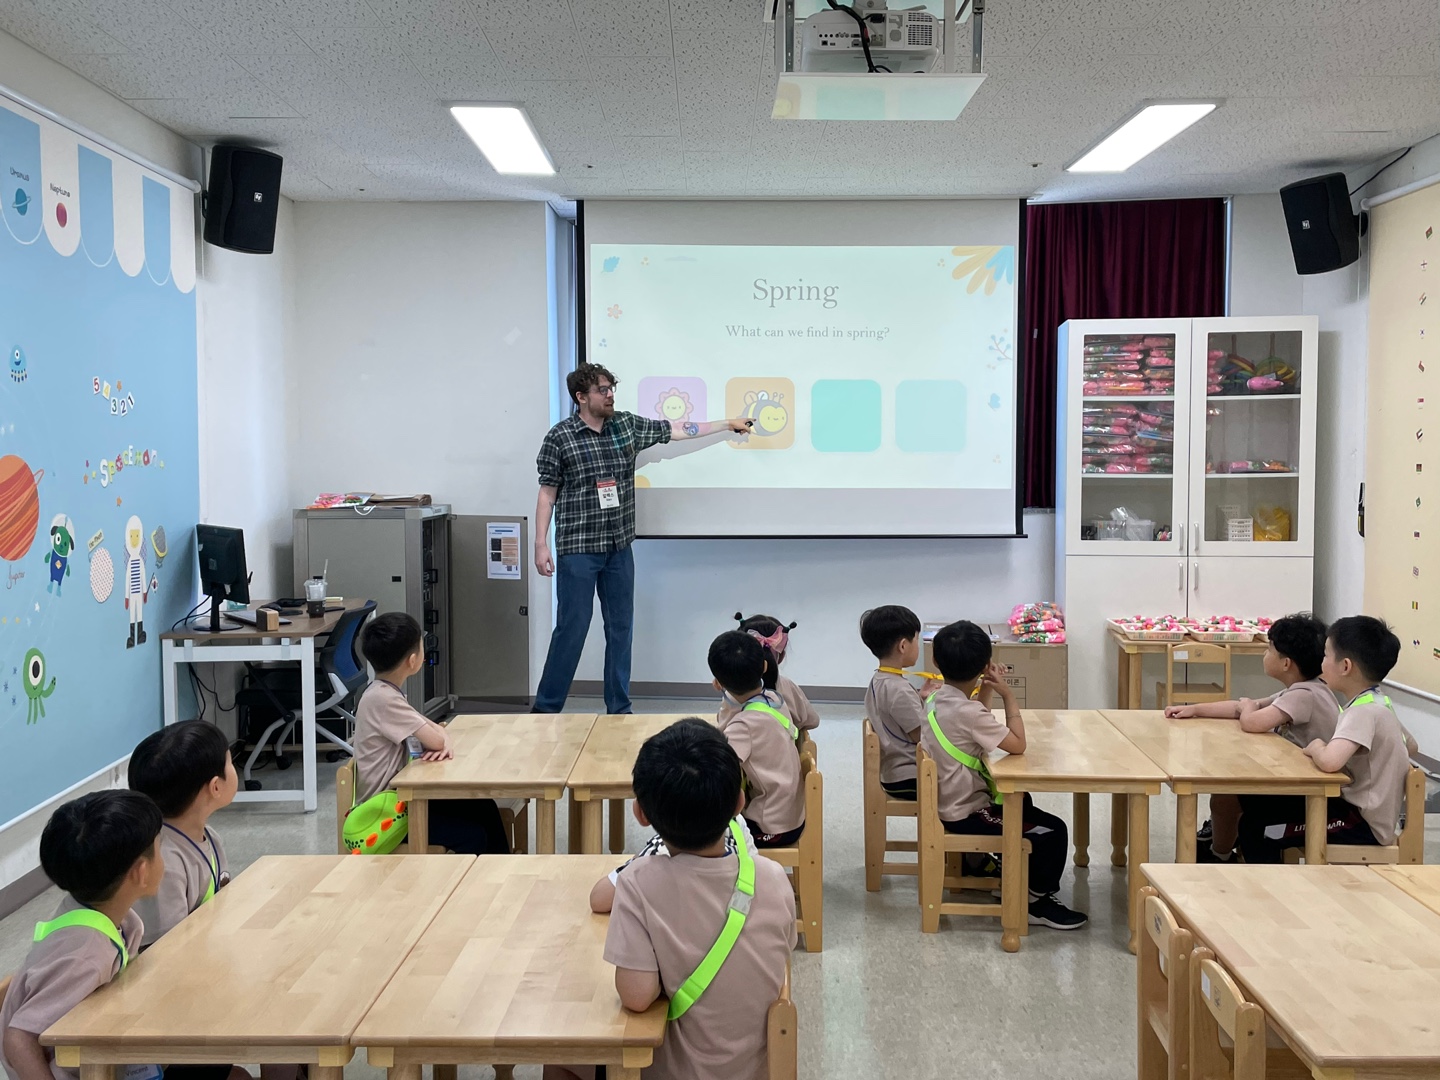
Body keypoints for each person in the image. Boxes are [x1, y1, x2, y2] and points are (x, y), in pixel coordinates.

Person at [546, 719, 795, 1080]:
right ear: (738, 804)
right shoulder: (771, 877)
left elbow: (636, 996)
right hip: (756, 1069)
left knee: (560, 1057)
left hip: (674, 1071)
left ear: (641, 814)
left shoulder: (638, 883)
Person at [532, 363, 754, 715]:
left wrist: (728, 423)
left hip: (619, 548)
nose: (610, 395)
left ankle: (619, 709)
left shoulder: (626, 425)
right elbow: (547, 493)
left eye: (611, 388)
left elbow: (678, 428)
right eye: (602, 390)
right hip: (578, 549)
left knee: (621, 630)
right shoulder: (560, 437)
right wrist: (541, 544)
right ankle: (546, 709)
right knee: (571, 631)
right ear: (581, 397)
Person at [921, 619, 1086, 930]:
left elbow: (975, 721)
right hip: (965, 811)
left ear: (935, 661)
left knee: (1024, 801)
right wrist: (1009, 696)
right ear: (985, 664)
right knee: (1053, 832)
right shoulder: (968, 714)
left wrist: (984, 687)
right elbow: (1018, 745)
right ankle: (1035, 900)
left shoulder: (936, 698)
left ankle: (1013, 876)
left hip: (948, 800)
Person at [1, 791, 164, 1080]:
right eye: (160, 849)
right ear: (140, 872)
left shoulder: (109, 914)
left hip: (110, 1052)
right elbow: (18, 1039)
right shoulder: (85, 954)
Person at [1238, 615, 1419, 863]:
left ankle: (1271, 895)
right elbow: (1411, 745)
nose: (1321, 663)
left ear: (1345, 666)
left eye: (1325, 656)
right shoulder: (1378, 702)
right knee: (1260, 808)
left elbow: (1331, 762)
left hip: (1362, 824)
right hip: (1363, 813)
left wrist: (1317, 747)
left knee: (1258, 829)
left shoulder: (1362, 712)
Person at [1164, 613, 1338, 862]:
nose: (1264, 654)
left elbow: (1252, 721)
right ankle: (1220, 852)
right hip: (1293, 781)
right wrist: (1195, 709)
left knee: (1230, 794)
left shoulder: (1305, 695)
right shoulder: (1303, 689)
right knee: (1225, 794)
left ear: (1286, 663)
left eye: (1269, 649)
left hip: (1307, 792)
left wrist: (1247, 709)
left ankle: (1221, 854)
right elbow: (1245, 706)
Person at [352, 612, 507, 854]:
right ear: (413, 660)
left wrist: (441, 737)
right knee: (473, 836)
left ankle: (502, 877)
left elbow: (434, 727)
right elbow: (435, 738)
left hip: (402, 799)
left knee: (484, 807)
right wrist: (442, 740)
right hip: (387, 814)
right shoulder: (382, 699)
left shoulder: (385, 692)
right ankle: (478, 887)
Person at [128, 720, 237, 947]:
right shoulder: (163, 861)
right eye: (230, 762)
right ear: (215, 787)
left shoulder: (209, 836)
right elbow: (163, 949)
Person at [708, 630, 805, 848]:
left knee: (702, 833)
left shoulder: (743, 727)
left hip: (771, 825)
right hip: (789, 814)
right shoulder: (774, 698)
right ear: (764, 666)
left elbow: (720, 762)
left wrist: (725, 697)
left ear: (718, 681)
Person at [860, 604, 939, 800]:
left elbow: (892, 713)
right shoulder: (899, 689)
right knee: (968, 781)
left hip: (894, 772)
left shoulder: (880, 679)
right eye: (917, 641)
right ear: (903, 646)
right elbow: (924, 737)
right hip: (911, 774)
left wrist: (919, 698)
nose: (918, 647)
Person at [733, 613, 819, 732]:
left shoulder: (732, 692)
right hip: (785, 750)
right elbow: (813, 721)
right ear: (781, 656)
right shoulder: (788, 686)